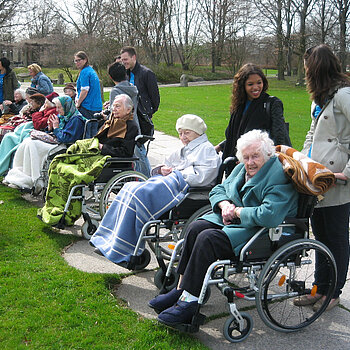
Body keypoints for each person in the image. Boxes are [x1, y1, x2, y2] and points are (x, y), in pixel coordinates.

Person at [148, 129, 298, 327]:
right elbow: (219, 189)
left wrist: (237, 212)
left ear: (268, 155)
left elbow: (269, 215)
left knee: (207, 239)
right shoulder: (241, 169)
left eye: (255, 156)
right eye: (246, 157)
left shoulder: (278, 176)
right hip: (229, 220)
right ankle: (181, 289)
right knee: (195, 227)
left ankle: (189, 302)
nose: (250, 162)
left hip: (255, 232)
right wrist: (224, 205)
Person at [90, 114, 221, 265]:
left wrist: (176, 172)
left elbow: (203, 176)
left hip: (186, 189)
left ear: (198, 133)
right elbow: (168, 164)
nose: (183, 137)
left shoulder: (206, 149)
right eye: (180, 133)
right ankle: (108, 240)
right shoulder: (188, 148)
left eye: (187, 133)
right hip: (171, 182)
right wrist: (161, 170)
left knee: (138, 194)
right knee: (128, 188)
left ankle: (122, 247)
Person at [293, 44, 350, 312]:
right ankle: (320, 288)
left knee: (336, 237)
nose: (305, 75)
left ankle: (333, 292)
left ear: (317, 69)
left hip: (337, 180)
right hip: (318, 177)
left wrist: (346, 174)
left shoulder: (343, 96)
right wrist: (303, 161)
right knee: (320, 237)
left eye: (307, 70)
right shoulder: (321, 98)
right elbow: (311, 134)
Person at [38, 94, 139, 226]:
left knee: (69, 171)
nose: (114, 108)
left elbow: (125, 153)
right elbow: (96, 140)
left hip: (110, 161)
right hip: (96, 154)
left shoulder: (131, 127)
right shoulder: (110, 121)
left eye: (118, 106)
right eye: (113, 105)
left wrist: (103, 147)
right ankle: (55, 208)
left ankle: (67, 214)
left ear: (128, 109)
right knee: (59, 163)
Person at [215, 63, 290, 173]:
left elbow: (278, 137)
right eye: (250, 84)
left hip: (258, 166)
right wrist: (220, 146)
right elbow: (236, 134)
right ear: (242, 86)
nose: (256, 87)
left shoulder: (272, 104)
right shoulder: (238, 106)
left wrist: (247, 159)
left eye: (259, 83)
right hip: (236, 164)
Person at [3, 96, 85, 190]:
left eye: (59, 107)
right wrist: (50, 128)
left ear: (66, 106)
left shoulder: (76, 120)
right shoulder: (64, 117)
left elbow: (66, 139)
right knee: (27, 141)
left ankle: (35, 179)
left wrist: (56, 128)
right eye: (57, 107)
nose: (57, 110)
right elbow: (56, 133)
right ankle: (22, 174)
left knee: (33, 144)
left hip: (65, 146)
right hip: (56, 143)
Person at [120, 46, 160, 177]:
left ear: (134, 57)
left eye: (126, 59)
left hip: (141, 118)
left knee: (140, 149)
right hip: (129, 119)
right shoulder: (126, 74)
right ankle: (138, 176)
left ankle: (147, 178)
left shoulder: (146, 73)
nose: (124, 62)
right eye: (122, 60)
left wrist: (147, 113)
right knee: (133, 150)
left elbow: (155, 99)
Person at [0, 93, 57, 176]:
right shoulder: (45, 110)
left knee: (18, 139)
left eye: (46, 102)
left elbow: (38, 125)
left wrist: (39, 112)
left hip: (40, 132)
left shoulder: (51, 112)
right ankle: (3, 165)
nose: (45, 104)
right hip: (34, 129)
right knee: (8, 137)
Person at [74, 51, 102, 138]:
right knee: (94, 131)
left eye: (79, 60)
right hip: (96, 106)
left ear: (85, 60)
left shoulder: (84, 72)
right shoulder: (91, 71)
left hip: (88, 106)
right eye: (75, 61)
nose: (77, 63)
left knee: (87, 132)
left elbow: (84, 90)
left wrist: (78, 104)